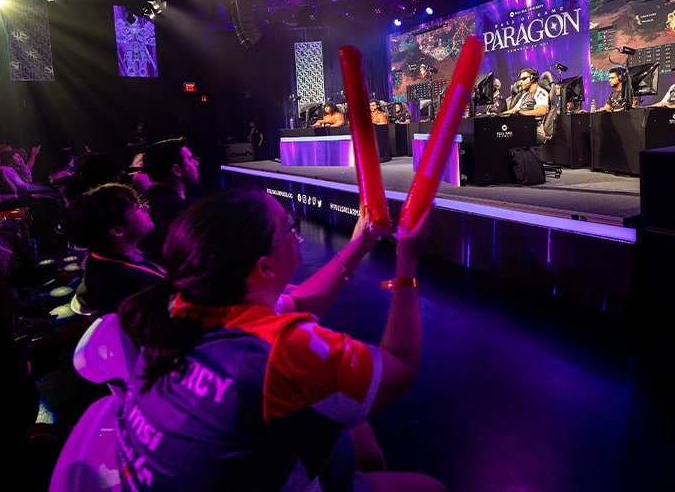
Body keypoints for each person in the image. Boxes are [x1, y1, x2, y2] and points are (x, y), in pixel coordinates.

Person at [115, 188, 446, 491]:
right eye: (289, 226)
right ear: (264, 267)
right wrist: (407, 265)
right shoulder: (279, 350)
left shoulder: (179, 310)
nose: (295, 231)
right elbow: (398, 369)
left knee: (361, 441)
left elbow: (298, 302)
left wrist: (361, 243)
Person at [65, 183, 162, 314]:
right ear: (117, 230)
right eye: (137, 207)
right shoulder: (131, 285)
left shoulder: (104, 259)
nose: (147, 207)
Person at [137, 137, 201, 261]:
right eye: (190, 159)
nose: (196, 163)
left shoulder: (146, 202)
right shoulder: (184, 215)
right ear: (176, 170)